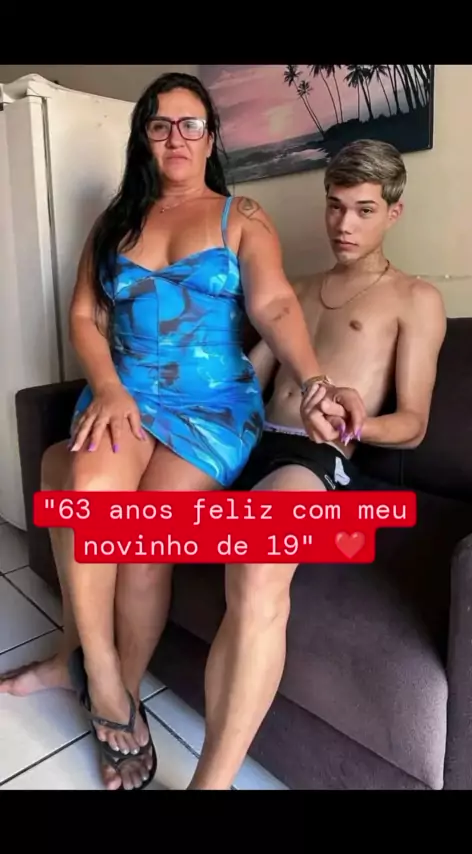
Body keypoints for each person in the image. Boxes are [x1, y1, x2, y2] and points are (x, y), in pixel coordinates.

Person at [0, 73, 364, 791]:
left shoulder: (240, 217)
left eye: (190, 124)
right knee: (87, 487)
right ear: (143, 137)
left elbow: (275, 306)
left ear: (210, 137)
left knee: (145, 537)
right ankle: (106, 686)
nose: (176, 137)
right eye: (160, 124)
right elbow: (84, 317)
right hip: (126, 395)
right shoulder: (115, 223)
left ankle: (118, 684)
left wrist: (315, 380)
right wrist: (108, 387)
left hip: (212, 406)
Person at [213, 137, 446, 792]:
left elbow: (415, 425)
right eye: (335, 206)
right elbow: (245, 383)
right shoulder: (294, 292)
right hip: (248, 442)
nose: (344, 224)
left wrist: (356, 423)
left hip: (312, 453)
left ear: (394, 212)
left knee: (256, 561)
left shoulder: (414, 298)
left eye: (364, 210)